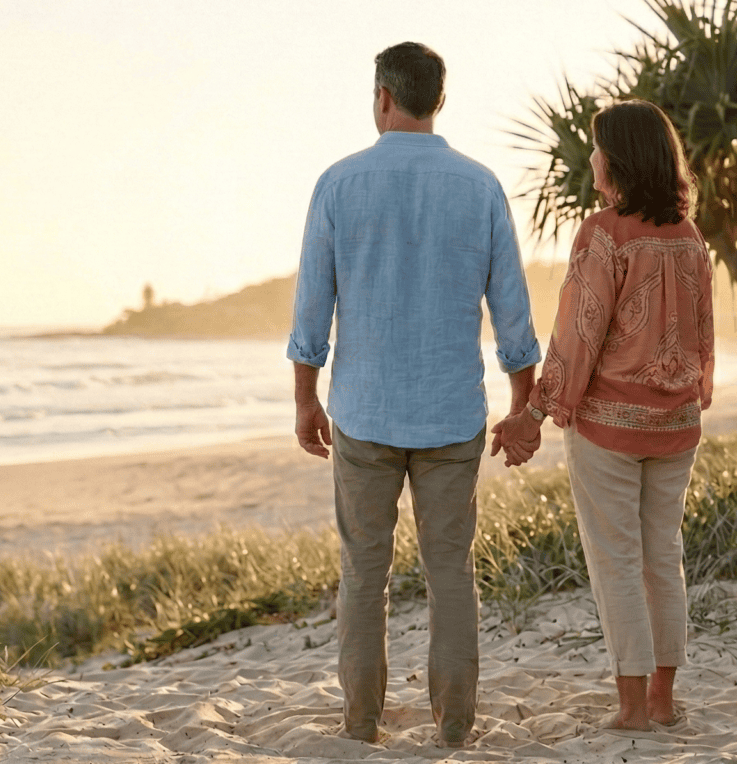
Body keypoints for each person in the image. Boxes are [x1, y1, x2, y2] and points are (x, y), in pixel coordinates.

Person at [288, 42, 542, 748]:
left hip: (364, 415)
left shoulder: (338, 185)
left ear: (382, 99)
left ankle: (362, 723)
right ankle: (455, 727)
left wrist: (305, 399)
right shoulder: (480, 186)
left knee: (364, 575)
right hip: (450, 415)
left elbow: (313, 308)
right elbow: (513, 315)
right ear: (438, 101)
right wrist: (524, 407)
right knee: (450, 572)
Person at [492, 99, 714, 731]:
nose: (588, 157)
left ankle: (631, 708)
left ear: (616, 159)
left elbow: (576, 336)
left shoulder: (605, 232)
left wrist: (532, 414)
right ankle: (665, 700)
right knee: (660, 557)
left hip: (609, 430)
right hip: (676, 428)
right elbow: (703, 336)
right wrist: (692, 397)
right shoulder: (689, 236)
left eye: (595, 147)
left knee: (616, 560)